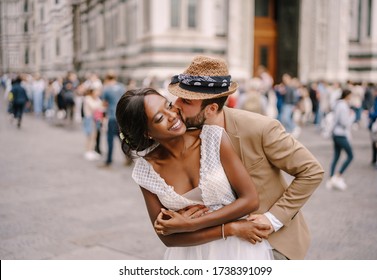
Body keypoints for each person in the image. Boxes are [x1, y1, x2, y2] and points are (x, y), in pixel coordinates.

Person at [163, 55, 324, 260]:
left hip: (270, 242)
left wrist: (273, 219)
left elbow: (312, 170)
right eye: (176, 98)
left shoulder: (261, 128)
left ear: (211, 109)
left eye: (185, 100)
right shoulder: (183, 134)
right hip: (213, 244)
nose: (175, 105)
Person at [116, 88, 274, 260]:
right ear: (147, 132)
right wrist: (229, 229)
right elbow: (166, 237)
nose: (172, 115)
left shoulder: (213, 138)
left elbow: (250, 200)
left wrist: (190, 224)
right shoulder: (145, 171)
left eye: (168, 105)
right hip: (189, 255)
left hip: (239, 251)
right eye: (159, 118)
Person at [326, 89, 355, 191]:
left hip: (335, 133)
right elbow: (344, 122)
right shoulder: (343, 106)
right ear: (347, 95)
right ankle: (338, 175)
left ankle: (331, 178)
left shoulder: (338, 104)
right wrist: (352, 117)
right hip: (341, 134)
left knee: (336, 156)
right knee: (350, 155)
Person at [101, 70, 126, 167]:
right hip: (120, 116)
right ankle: (128, 157)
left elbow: (104, 103)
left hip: (111, 116)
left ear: (107, 78)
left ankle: (109, 160)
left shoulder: (106, 89)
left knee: (110, 139)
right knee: (122, 138)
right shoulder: (121, 87)